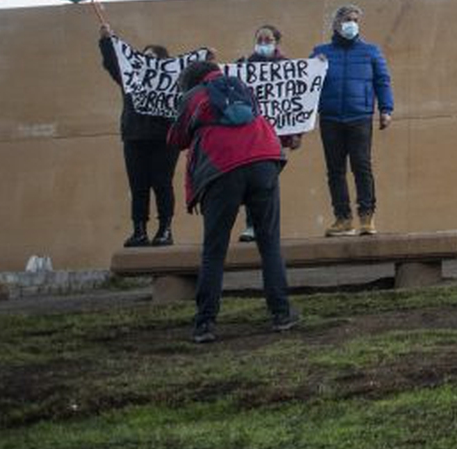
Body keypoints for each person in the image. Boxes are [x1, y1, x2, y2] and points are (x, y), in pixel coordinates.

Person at [167, 57, 298, 344]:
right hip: (264, 159)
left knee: (214, 250)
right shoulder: (242, 86)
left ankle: (205, 323)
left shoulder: (192, 97)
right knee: (269, 243)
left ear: (189, 82)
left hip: (221, 169)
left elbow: (176, 139)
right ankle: (281, 313)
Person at [311, 4, 394, 236]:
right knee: (335, 171)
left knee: (362, 166)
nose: (352, 24)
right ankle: (343, 218)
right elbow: (307, 85)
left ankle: (367, 217)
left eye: (356, 20)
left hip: (360, 116)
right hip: (330, 117)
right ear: (337, 23)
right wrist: (315, 64)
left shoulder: (371, 51)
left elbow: (382, 81)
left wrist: (386, 109)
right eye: (348, 19)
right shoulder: (320, 52)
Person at [97, 26, 176, 247]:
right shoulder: (131, 81)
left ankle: (165, 230)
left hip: (164, 139)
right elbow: (114, 64)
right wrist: (106, 41)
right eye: (145, 56)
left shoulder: (172, 81)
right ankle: (139, 231)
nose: (147, 60)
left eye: (153, 57)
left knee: (162, 184)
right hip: (135, 137)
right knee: (138, 186)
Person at [233, 25, 303, 243]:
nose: (263, 42)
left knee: (268, 182)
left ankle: (267, 227)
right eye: (260, 39)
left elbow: (297, 101)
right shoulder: (246, 65)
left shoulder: (287, 66)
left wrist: (297, 133)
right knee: (251, 182)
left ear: (276, 42)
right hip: (250, 135)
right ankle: (252, 225)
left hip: (274, 136)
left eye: (268, 39)